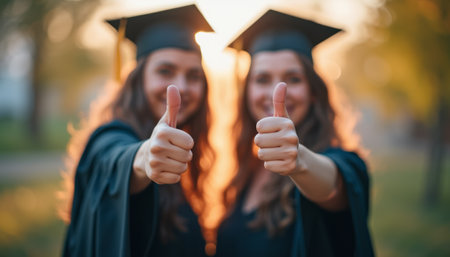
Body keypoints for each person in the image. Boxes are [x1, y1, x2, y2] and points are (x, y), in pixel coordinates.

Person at [216, 9, 374, 257]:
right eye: (262, 79)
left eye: (293, 78)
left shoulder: (342, 164)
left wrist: (298, 161)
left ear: (314, 92)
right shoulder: (243, 172)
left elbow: (334, 186)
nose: (277, 91)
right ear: (246, 92)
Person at [60, 4, 215, 257]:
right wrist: (144, 157)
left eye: (194, 75)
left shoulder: (186, 158)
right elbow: (113, 159)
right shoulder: (110, 138)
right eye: (165, 71)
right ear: (138, 78)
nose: (182, 87)